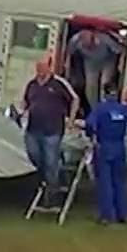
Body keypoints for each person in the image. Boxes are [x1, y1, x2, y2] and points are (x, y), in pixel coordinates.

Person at [19, 57, 79, 207]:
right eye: (38, 66)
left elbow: (75, 99)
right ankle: (50, 178)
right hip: (33, 128)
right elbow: (25, 101)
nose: (40, 69)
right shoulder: (32, 84)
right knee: (34, 155)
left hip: (53, 130)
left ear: (49, 67)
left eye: (43, 66)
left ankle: (51, 193)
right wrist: (22, 112)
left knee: (51, 161)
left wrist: (71, 120)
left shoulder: (58, 83)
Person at [84, 82, 127, 225]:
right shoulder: (122, 109)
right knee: (120, 182)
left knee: (105, 182)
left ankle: (106, 215)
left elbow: (89, 124)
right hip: (119, 146)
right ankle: (123, 214)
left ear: (104, 93)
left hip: (104, 146)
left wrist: (91, 135)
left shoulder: (100, 109)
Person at [67, 28, 122, 111]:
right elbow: (69, 52)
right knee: (90, 88)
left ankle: (104, 106)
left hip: (107, 62)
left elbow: (120, 50)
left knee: (104, 83)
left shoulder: (105, 39)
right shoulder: (76, 42)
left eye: (89, 45)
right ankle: (95, 108)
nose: (87, 47)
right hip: (90, 63)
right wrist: (67, 64)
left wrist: (121, 63)